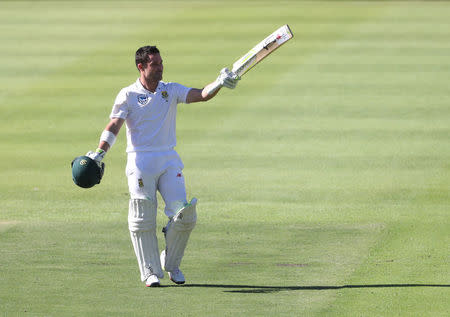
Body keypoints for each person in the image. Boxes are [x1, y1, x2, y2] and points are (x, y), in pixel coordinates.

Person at [85, 45, 239, 287]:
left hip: (168, 159)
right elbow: (114, 124)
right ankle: (149, 271)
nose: (160, 68)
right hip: (140, 161)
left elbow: (202, 94)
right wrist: (99, 153)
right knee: (142, 219)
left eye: (161, 63)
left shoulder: (171, 90)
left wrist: (219, 83)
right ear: (141, 67)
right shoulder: (128, 95)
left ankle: (172, 264)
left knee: (184, 215)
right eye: (155, 64)